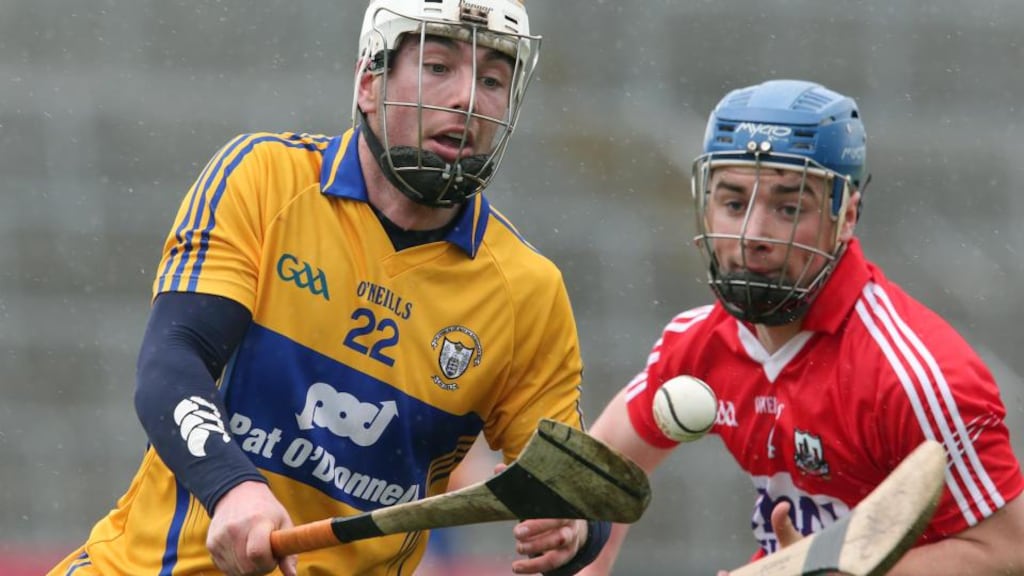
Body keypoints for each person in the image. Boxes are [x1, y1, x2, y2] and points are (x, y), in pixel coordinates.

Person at [48, 1, 609, 574]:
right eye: (439, 67)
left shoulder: (527, 291)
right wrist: (232, 487)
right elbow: (172, 358)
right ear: (369, 81)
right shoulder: (264, 179)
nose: (469, 98)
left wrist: (572, 527)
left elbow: (566, 482)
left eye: (492, 78)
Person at [580, 79, 1024, 575]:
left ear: (847, 216)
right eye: (732, 203)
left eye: (789, 209)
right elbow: (595, 476)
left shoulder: (915, 377)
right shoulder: (698, 342)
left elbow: (1007, 550)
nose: (753, 234)